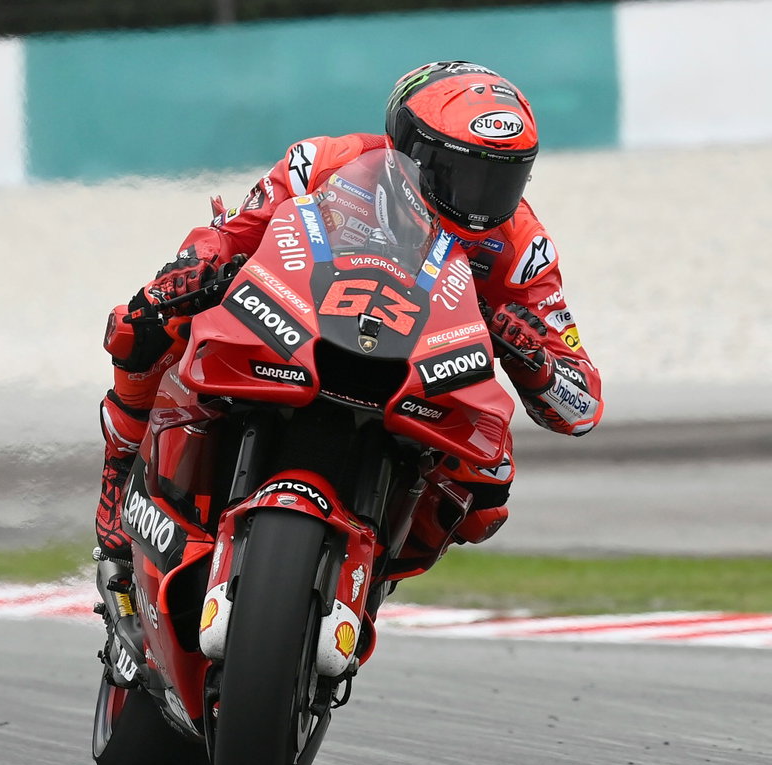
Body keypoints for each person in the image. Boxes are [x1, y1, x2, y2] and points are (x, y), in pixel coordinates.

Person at [95, 60, 603, 562]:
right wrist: (198, 263)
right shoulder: (322, 162)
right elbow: (232, 233)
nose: (481, 201)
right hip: (297, 324)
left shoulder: (521, 246)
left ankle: (378, 567)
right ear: (410, 150)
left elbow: (581, 405)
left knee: (487, 492)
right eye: (460, 175)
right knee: (143, 321)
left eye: (501, 182)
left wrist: (536, 361)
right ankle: (120, 468)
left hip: (421, 371)